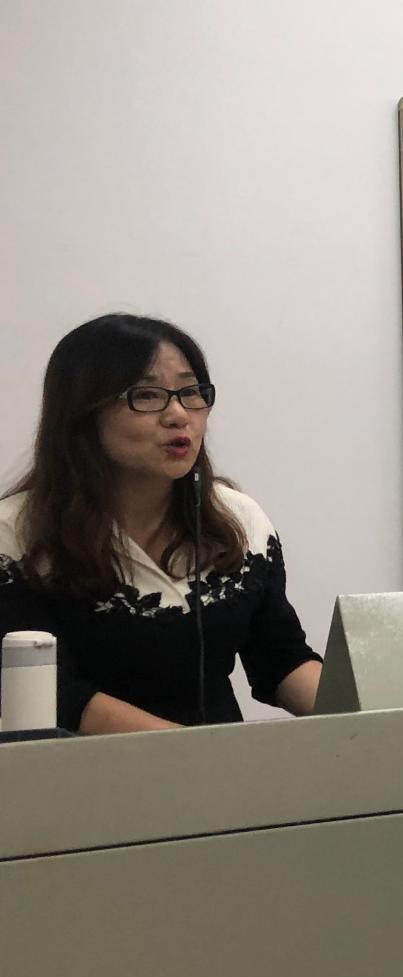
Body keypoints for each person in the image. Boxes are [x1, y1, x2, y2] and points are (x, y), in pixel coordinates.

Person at [0, 314, 321, 732]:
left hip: (224, 766)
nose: (178, 415)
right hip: (86, 768)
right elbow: (56, 695)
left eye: (190, 393)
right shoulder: (16, 535)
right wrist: (193, 755)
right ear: (82, 411)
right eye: (148, 395)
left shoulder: (239, 520)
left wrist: (370, 714)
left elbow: (282, 659)